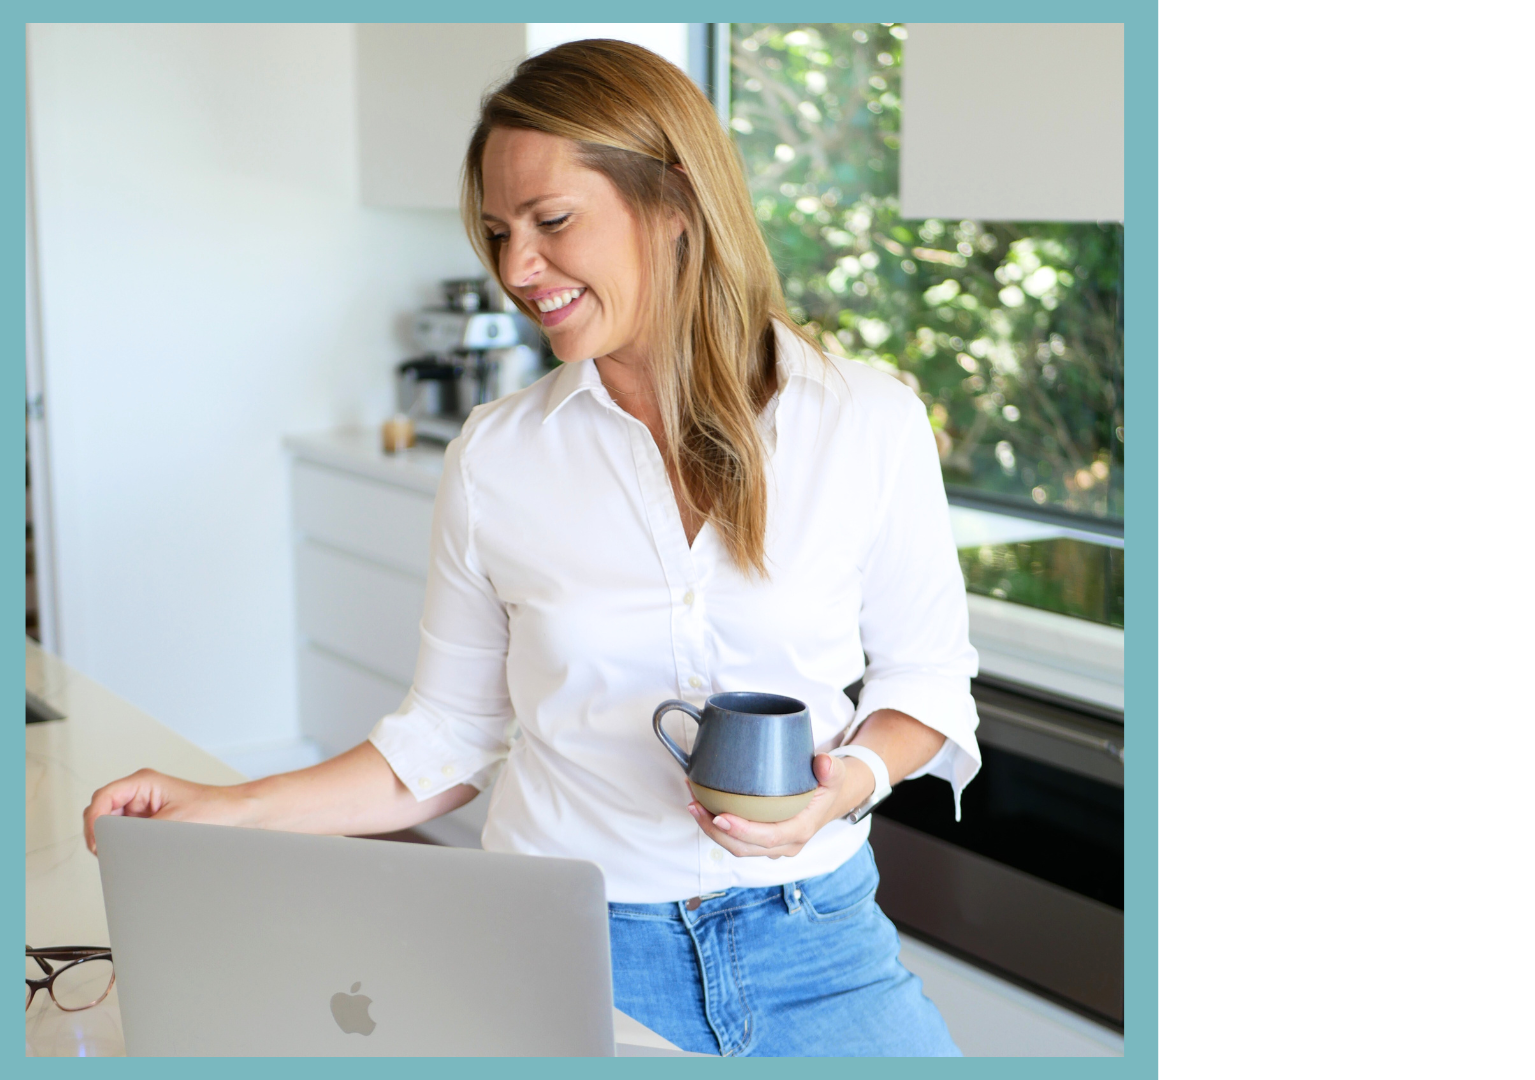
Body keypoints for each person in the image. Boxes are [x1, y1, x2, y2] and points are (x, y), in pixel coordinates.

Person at [82, 39, 978, 1058]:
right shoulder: (498, 456)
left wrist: (847, 778)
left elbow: (926, 680)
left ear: (675, 199)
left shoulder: (864, 420)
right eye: (500, 233)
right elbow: (445, 738)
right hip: (575, 943)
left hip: (819, 942)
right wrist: (224, 809)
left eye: (552, 222)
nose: (516, 269)